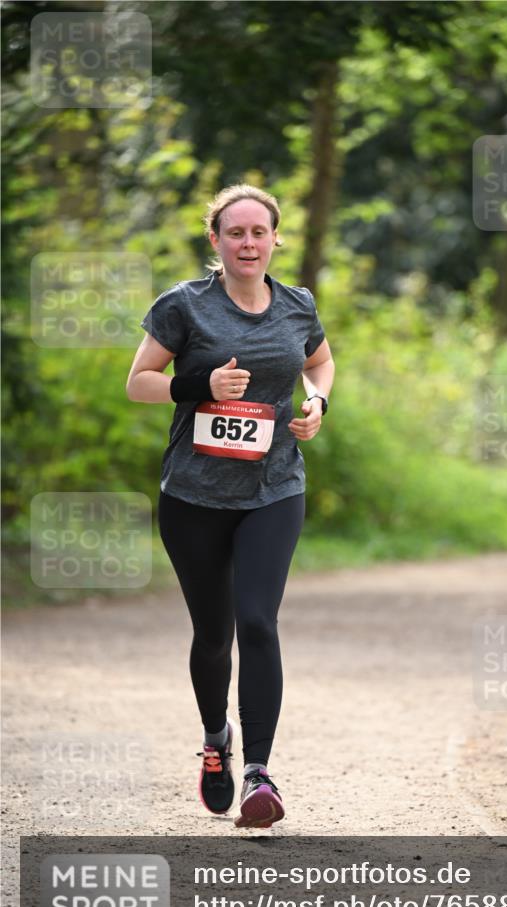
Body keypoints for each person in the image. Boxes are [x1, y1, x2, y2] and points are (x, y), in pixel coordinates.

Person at [126, 183, 335, 829]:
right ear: (215, 241)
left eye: (259, 232)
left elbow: (320, 364)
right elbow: (138, 383)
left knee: (258, 621)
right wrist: (201, 384)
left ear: (276, 240)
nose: (248, 243)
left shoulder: (297, 306)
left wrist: (316, 404)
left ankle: (259, 775)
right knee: (214, 636)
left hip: (273, 489)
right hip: (193, 495)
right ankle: (217, 739)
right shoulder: (184, 307)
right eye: (235, 233)